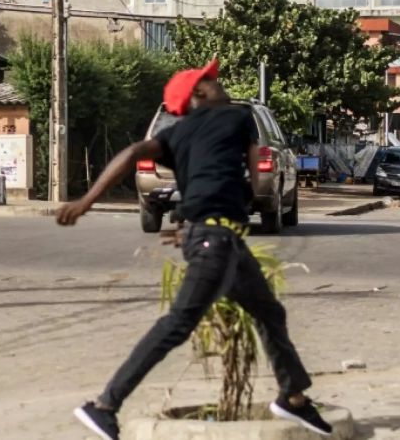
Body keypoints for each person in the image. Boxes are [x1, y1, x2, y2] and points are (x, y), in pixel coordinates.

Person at [58, 59, 332, 440]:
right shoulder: (233, 117)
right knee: (177, 324)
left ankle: (294, 398)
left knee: (270, 312)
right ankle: (104, 405)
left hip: (219, 239)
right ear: (200, 93)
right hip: (215, 240)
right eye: (213, 82)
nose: (222, 86)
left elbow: (135, 151)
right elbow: (253, 169)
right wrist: (240, 196)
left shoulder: (177, 135)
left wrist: (86, 202)